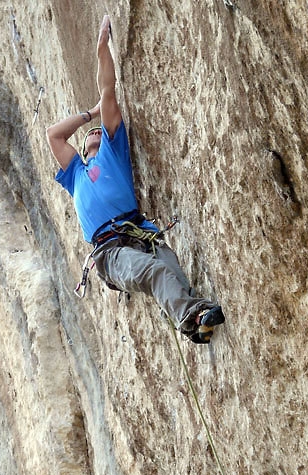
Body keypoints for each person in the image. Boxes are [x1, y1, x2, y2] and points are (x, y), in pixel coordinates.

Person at [46, 15, 225, 344]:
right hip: (110, 252)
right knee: (155, 272)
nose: (97, 132)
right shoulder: (76, 174)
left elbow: (108, 91)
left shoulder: (112, 153)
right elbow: (54, 135)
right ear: (83, 149)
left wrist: (103, 49)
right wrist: (91, 114)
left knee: (171, 270)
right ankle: (191, 315)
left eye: (100, 130)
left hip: (141, 235)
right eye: (90, 134)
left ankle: (195, 322)